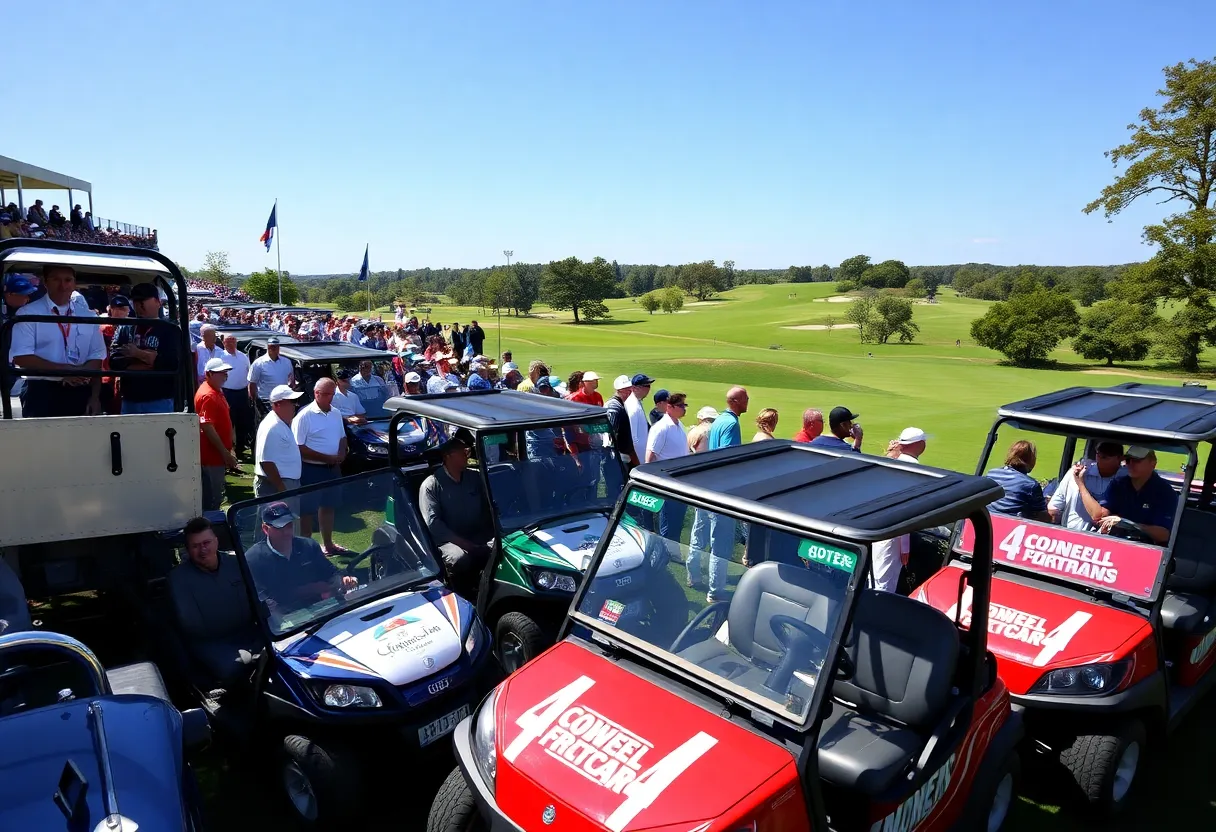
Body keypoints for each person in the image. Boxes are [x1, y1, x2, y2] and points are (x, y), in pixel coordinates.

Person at [168, 517, 261, 686]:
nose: (203, 550)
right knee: (239, 668)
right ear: (188, 549)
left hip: (250, 633)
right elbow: (194, 626)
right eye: (196, 546)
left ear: (216, 541)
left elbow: (258, 596)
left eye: (206, 542)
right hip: (212, 643)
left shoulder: (237, 562)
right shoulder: (179, 579)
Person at [9, 264, 106, 417]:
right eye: (56, 280)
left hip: (81, 390)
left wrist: (95, 397)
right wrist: (64, 372)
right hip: (41, 392)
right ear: (45, 282)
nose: (63, 286)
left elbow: (97, 357)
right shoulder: (27, 313)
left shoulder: (88, 315)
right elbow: (22, 357)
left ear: (74, 283)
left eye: (68, 280)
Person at [244, 503, 358, 616]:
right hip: (283, 622)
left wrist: (343, 580)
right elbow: (265, 600)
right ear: (265, 529)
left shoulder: (308, 545)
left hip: (319, 610)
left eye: (289, 525)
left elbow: (330, 572)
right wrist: (310, 589)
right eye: (279, 527)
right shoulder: (254, 559)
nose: (286, 532)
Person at [693, 386, 749, 601]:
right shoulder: (732, 423)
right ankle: (715, 591)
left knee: (704, 537)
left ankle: (697, 576)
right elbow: (729, 457)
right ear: (736, 401)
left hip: (710, 487)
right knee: (721, 544)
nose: (747, 402)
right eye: (745, 399)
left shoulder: (718, 421)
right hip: (723, 491)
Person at [419, 435, 494, 589]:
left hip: (475, 533)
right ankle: (460, 592)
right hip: (449, 541)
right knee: (459, 558)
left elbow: (490, 504)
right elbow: (433, 524)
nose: (468, 456)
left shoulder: (474, 477)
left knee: (501, 546)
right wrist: (464, 543)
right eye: (463, 453)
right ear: (448, 457)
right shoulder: (431, 485)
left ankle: (488, 588)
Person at [1076, 446, 1178, 545]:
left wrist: (1126, 523)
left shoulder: (1165, 492)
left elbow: (1163, 535)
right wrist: (1081, 484)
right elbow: (1099, 516)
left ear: (1153, 464)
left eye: (1137, 461)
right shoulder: (1118, 484)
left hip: (1147, 549)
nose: (1130, 464)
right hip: (1116, 542)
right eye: (1128, 460)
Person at [292, 378, 348, 556]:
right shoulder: (304, 416)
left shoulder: (336, 413)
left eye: (332, 394)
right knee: (306, 511)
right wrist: (327, 458)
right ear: (316, 394)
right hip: (311, 469)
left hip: (332, 469)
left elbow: (342, 437)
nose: (330, 398)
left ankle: (328, 545)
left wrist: (341, 453)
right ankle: (307, 548)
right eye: (326, 394)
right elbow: (299, 448)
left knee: (328, 506)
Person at [871, 428, 930, 593]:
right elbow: (905, 510)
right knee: (884, 582)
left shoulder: (891, 462)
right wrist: (904, 547)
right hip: (893, 534)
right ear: (919, 444)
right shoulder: (913, 467)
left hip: (881, 527)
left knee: (877, 576)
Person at [109, 282, 181, 414]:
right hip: (130, 399)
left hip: (160, 399)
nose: (138, 306)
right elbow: (114, 361)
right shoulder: (125, 327)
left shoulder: (170, 329)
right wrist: (151, 360)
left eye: (143, 300)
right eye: (135, 301)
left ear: (158, 302)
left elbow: (173, 364)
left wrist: (137, 354)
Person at [1048, 442, 1123, 531]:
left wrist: (1080, 484)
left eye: (1105, 457)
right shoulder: (1077, 471)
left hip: (1104, 540)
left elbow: (1099, 516)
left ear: (1119, 458)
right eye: (1098, 455)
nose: (1099, 459)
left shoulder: (1125, 480)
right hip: (1069, 534)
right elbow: (1054, 508)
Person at [255, 385, 304, 498]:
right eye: (292, 402)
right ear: (277, 404)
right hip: (276, 487)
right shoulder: (272, 427)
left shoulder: (281, 423)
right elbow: (266, 463)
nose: (295, 405)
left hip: (284, 484)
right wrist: (282, 489)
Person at [986, 440, 1050, 522]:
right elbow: (1043, 516)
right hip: (1011, 527)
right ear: (1031, 460)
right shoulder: (1030, 485)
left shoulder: (992, 473)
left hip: (987, 522)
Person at [218, 333, 253, 453]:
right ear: (224, 343)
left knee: (242, 420)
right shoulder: (220, 357)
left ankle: (241, 446)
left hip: (242, 393)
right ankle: (229, 446)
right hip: (227, 393)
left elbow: (249, 373)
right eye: (228, 340)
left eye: (233, 340)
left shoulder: (243, 356)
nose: (231, 342)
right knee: (229, 420)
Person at [248, 338, 295, 402]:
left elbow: (291, 380)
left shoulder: (287, 362)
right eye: (272, 346)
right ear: (268, 347)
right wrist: (254, 401)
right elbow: (252, 383)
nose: (274, 349)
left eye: (276, 346)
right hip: (266, 400)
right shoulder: (258, 363)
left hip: (283, 399)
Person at [625, 373, 654, 469]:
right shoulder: (633, 407)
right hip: (638, 459)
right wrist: (638, 462)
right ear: (635, 388)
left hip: (641, 457)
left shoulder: (637, 402)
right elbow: (633, 438)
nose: (649, 389)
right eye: (646, 386)